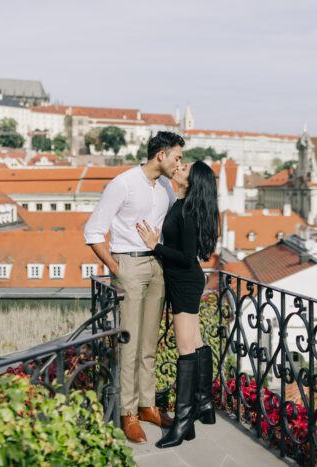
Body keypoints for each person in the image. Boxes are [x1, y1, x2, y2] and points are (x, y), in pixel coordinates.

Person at [84, 131, 184, 444]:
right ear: (161, 156)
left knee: (149, 342)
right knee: (129, 343)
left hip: (157, 265)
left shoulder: (166, 186)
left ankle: (147, 405)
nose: (179, 163)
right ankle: (127, 412)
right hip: (128, 263)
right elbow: (93, 231)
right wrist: (117, 269)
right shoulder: (123, 183)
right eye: (177, 157)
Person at [136, 160, 220, 448]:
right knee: (195, 342)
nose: (179, 167)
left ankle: (183, 422)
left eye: (184, 168)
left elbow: (186, 257)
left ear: (191, 181)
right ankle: (203, 405)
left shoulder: (188, 211)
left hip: (184, 281)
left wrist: (154, 246)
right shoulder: (182, 203)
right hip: (184, 280)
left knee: (185, 349)